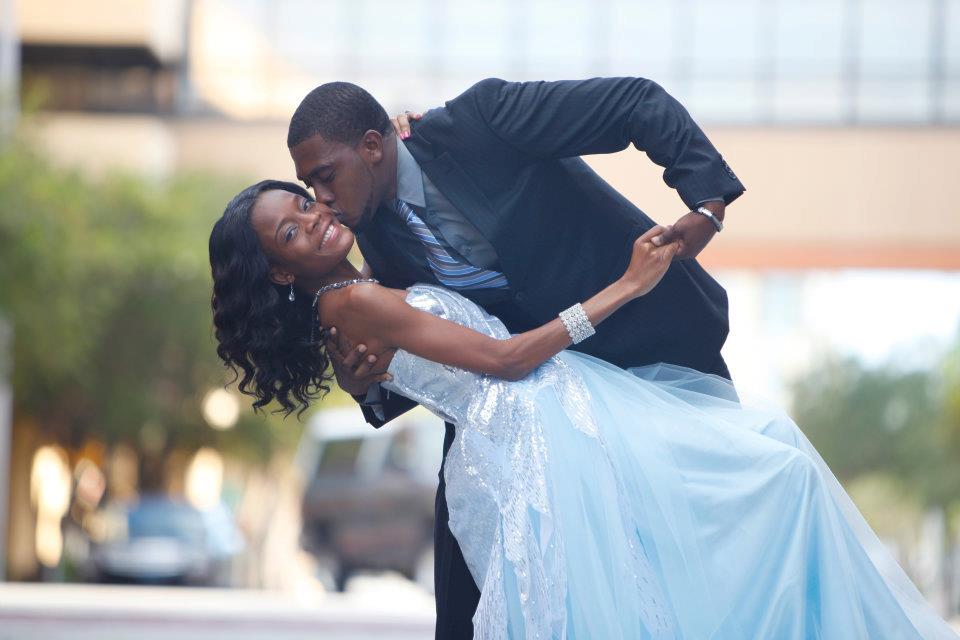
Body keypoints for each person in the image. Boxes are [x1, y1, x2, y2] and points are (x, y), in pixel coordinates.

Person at [208, 181, 958, 639]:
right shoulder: (353, 304)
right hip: (539, 441)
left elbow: (395, 359)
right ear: (279, 271)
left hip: (553, 421)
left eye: (303, 202)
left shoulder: (356, 292)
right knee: (768, 473)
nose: (313, 218)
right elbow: (504, 360)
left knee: (752, 476)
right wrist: (627, 286)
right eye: (291, 232)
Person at [285, 78, 742, 638]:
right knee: (465, 600)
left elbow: (635, 103)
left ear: (373, 146)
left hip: (646, 348)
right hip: (527, 405)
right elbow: (444, 356)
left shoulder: (483, 120)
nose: (321, 198)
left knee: (703, 554)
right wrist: (364, 385)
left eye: (325, 176)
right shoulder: (373, 238)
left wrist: (708, 205)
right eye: (309, 186)